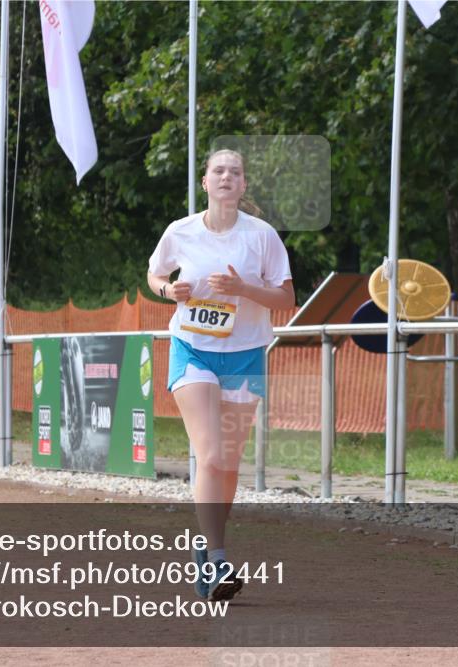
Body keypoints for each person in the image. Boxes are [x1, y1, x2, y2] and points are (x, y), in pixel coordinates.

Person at [148, 149, 294, 602]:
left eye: (235, 172)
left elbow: (286, 298)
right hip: (193, 352)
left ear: (243, 185)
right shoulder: (181, 231)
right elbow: (155, 277)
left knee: (227, 463)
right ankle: (217, 558)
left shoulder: (262, 236)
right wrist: (171, 290)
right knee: (210, 455)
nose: (227, 177)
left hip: (246, 355)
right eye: (219, 171)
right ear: (205, 182)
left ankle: (207, 548)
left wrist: (243, 289)